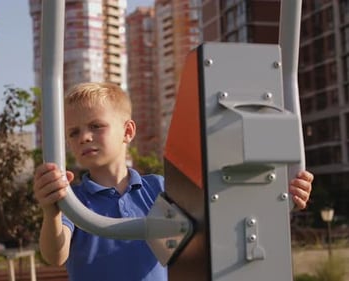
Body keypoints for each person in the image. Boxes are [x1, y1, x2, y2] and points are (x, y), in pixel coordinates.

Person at [33, 82, 314, 281]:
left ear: (127, 131)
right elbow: (55, 255)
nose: (84, 137)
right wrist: (51, 211)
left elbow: (222, 221)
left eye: (96, 126)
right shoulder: (73, 198)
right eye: (73, 132)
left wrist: (282, 197)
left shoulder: (158, 188)